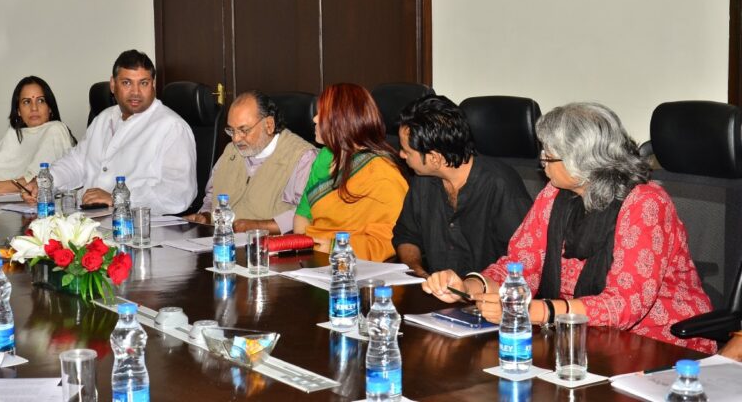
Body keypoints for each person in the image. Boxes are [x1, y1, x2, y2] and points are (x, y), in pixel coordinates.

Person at [423, 102, 716, 354]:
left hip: (659, 343)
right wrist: (471, 286)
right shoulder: (555, 194)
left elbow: (624, 306)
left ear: (584, 161)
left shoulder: (645, 204)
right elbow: (521, 266)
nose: (542, 162)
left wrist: (537, 311)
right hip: (579, 337)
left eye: (550, 154)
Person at [23, 50, 197, 215]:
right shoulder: (104, 118)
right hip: (90, 218)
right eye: (127, 83)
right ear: (113, 85)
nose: (136, 92)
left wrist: (118, 198)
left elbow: (178, 192)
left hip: (138, 226)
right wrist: (45, 183)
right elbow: (77, 162)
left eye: (143, 83)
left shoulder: (171, 127)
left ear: (153, 85)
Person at [392, 95, 532, 278]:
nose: (401, 155)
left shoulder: (500, 185)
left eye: (407, 151)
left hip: (489, 299)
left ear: (435, 158)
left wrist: (473, 288)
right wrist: (417, 271)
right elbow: (407, 235)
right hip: (438, 297)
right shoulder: (423, 180)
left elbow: (525, 262)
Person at [293, 83, 408, 261]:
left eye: (322, 114)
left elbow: (390, 239)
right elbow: (302, 215)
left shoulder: (382, 173)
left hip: (349, 263)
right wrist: (300, 249)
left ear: (343, 120)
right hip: (310, 256)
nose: (315, 119)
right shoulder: (325, 156)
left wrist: (334, 248)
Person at [183, 90, 316, 234]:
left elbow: (306, 214)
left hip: (268, 249)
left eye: (243, 130)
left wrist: (257, 226)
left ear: (269, 125)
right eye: (231, 130)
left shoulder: (302, 157)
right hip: (220, 243)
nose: (236, 139)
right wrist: (206, 216)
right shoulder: (231, 152)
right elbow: (211, 195)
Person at [0, 76, 76, 194]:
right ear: (18, 110)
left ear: (50, 108)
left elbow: (38, 183)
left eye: (40, 100)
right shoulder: (14, 134)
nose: (34, 108)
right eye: (27, 102)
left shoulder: (56, 130)